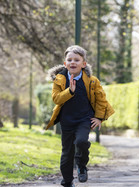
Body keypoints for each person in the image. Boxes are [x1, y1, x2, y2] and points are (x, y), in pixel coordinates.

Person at [45, 45, 114, 187]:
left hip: (84, 119)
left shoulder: (92, 81)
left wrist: (99, 118)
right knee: (67, 153)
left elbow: (101, 100)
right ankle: (68, 181)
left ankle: (81, 165)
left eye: (76, 60)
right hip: (67, 121)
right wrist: (70, 91)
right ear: (65, 63)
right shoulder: (59, 80)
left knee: (81, 142)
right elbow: (56, 99)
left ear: (83, 64)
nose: (72, 62)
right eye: (69, 60)